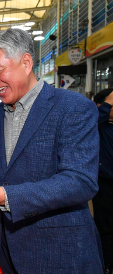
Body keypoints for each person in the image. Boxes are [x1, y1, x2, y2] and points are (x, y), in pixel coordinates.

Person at [0, 28, 103, 273]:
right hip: (8, 247)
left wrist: (4, 196)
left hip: (58, 252)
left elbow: (80, 181)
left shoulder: (73, 108)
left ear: (26, 62)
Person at [93, 89, 113, 274]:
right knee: (104, 226)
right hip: (105, 185)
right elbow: (92, 118)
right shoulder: (98, 126)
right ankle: (105, 263)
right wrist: (107, 104)